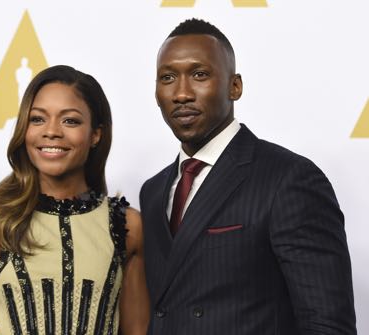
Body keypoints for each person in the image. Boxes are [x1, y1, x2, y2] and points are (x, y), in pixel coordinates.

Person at [139, 18, 357, 335]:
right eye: (168, 77)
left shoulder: (289, 179)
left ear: (234, 86)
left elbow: (326, 323)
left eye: (199, 75)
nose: (182, 93)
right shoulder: (154, 191)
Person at [0, 65, 149, 335]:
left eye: (70, 120)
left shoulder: (126, 225)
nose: (52, 131)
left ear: (96, 134)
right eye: (37, 119)